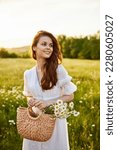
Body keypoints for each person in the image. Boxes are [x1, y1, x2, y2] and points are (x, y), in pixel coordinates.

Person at [22, 30, 77, 150]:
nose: (48, 48)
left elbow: (70, 96)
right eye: (44, 44)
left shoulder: (58, 70)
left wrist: (48, 103)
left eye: (51, 45)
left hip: (55, 121)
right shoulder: (28, 74)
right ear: (34, 47)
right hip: (35, 119)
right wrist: (30, 101)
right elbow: (29, 95)